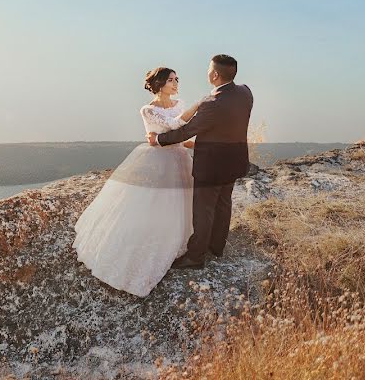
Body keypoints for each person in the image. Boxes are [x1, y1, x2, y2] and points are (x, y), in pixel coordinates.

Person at [71, 67, 203, 297]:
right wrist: (199, 105)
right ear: (160, 83)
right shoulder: (148, 110)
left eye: (177, 79)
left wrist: (201, 145)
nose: (176, 83)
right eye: (171, 80)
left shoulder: (180, 103)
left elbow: (183, 137)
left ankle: (178, 247)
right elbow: (173, 125)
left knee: (179, 204)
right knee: (150, 204)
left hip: (179, 158)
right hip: (157, 161)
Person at [147, 54, 253, 270]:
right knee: (224, 204)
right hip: (234, 161)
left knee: (204, 210)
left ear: (214, 74)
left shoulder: (211, 103)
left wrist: (158, 139)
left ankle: (195, 257)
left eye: (208, 68)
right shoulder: (245, 92)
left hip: (211, 166)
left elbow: (186, 131)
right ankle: (217, 247)